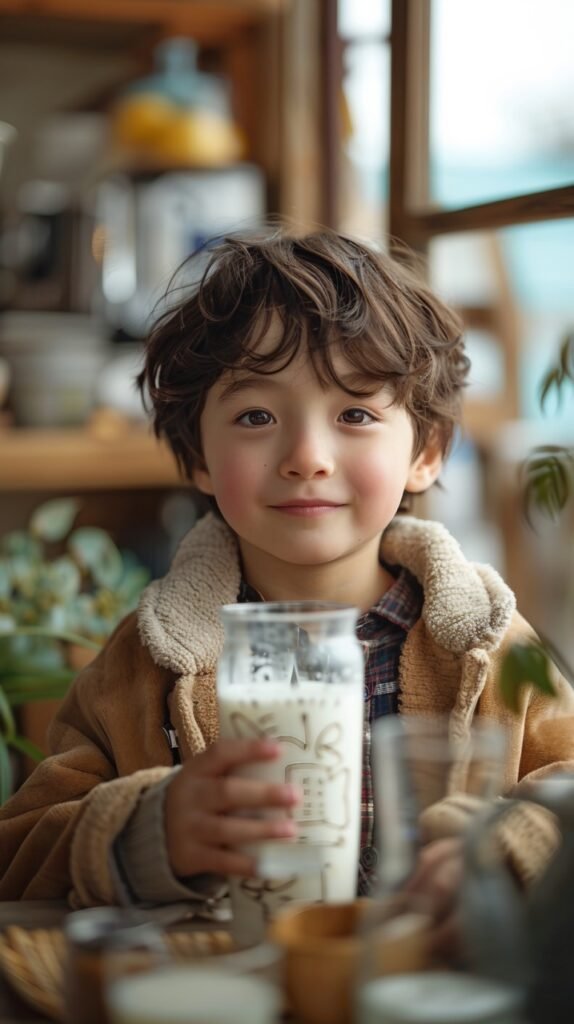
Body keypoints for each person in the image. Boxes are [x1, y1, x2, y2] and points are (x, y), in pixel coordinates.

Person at [1, 230, 573, 919]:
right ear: (201, 457)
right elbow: (21, 853)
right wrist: (151, 832)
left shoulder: (488, 640)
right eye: (257, 415)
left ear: (426, 452)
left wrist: (509, 850)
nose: (307, 456)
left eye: (356, 413)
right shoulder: (147, 662)